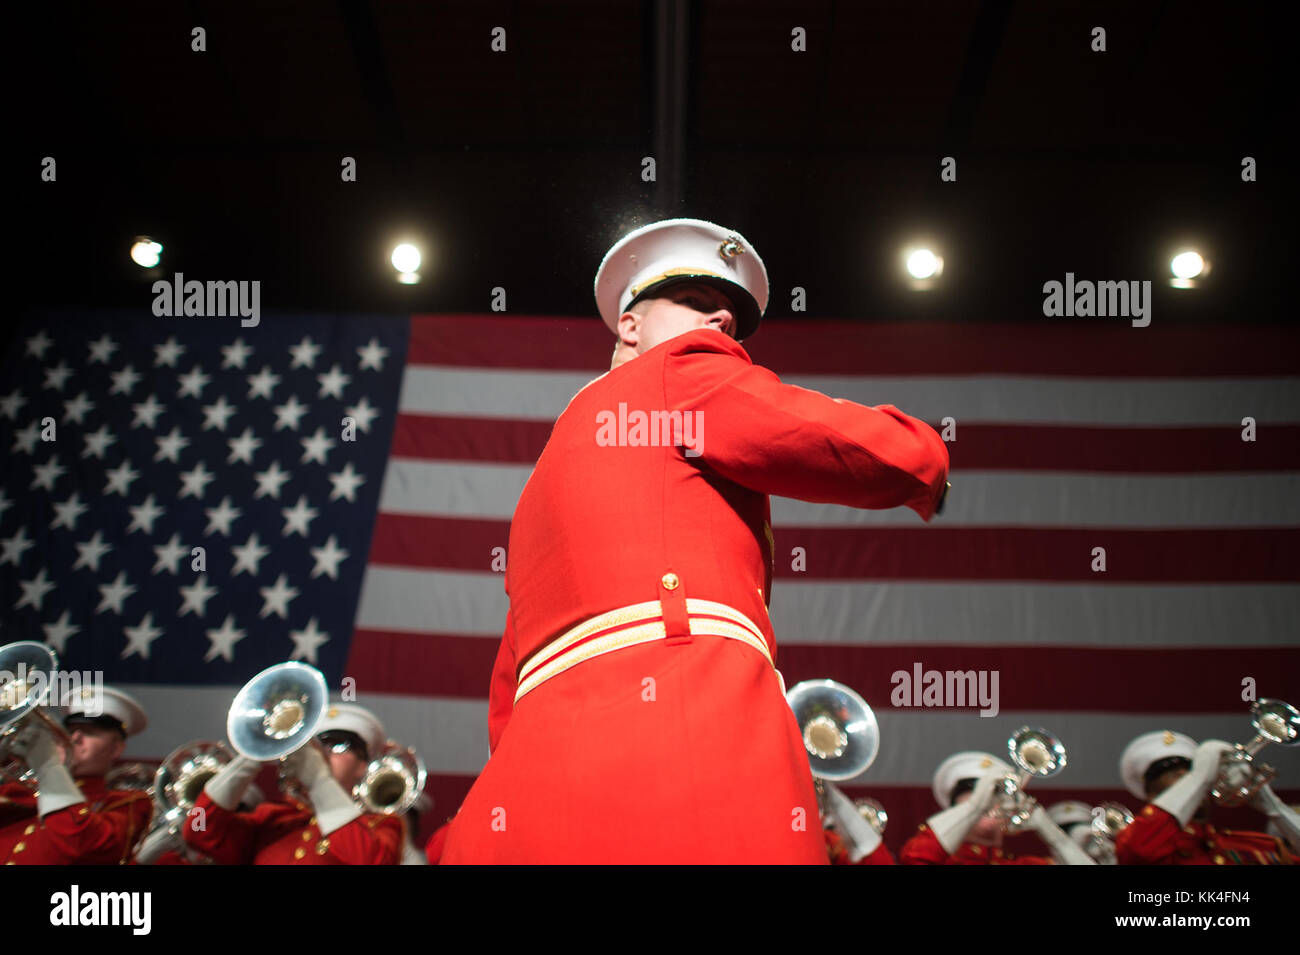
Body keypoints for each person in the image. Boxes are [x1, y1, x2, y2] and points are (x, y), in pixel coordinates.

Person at [441, 217, 951, 863]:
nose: (720, 324)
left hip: (529, 781)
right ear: (629, 324)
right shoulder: (679, 374)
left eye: (730, 318)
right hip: (689, 725)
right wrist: (929, 462)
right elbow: (837, 441)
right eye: (696, 304)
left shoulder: (542, 475)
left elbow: (507, 685)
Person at [183, 702, 403, 865]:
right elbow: (199, 831)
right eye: (318, 744)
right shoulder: (271, 818)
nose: (325, 752)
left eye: (338, 744)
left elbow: (372, 860)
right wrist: (258, 750)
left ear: (362, 764)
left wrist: (319, 781)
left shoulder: (381, 825)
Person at [0, 684, 153, 864]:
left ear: (116, 748)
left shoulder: (127, 803)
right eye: (71, 731)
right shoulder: (18, 790)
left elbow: (82, 843)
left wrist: (49, 767)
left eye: (89, 732)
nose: (75, 738)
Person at [1114, 730, 1297, 865]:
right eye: (1177, 776)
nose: (1191, 780)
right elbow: (1136, 849)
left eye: (1191, 772)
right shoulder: (1149, 846)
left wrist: (1276, 808)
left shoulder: (1256, 846)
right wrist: (1198, 777)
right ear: (1153, 795)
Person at [899, 751, 1093, 865]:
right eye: (982, 794)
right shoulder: (940, 858)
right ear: (954, 810)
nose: (991, 801)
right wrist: (974, 807)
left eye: (997, 795)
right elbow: (916, 858)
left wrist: (1055, 836)